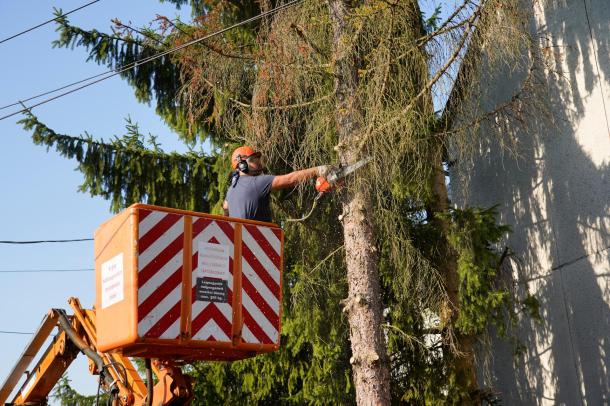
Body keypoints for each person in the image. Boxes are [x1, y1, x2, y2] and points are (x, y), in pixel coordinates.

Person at [222, 146, 328, 222]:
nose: (258, 163)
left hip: (238, 244)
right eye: (253, 160)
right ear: (242, 165)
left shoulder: (231, 190)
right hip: (258, 239)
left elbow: (225, 206)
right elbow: (290, 179)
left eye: (258, 159)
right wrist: (318, 170)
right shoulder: (257, 182)